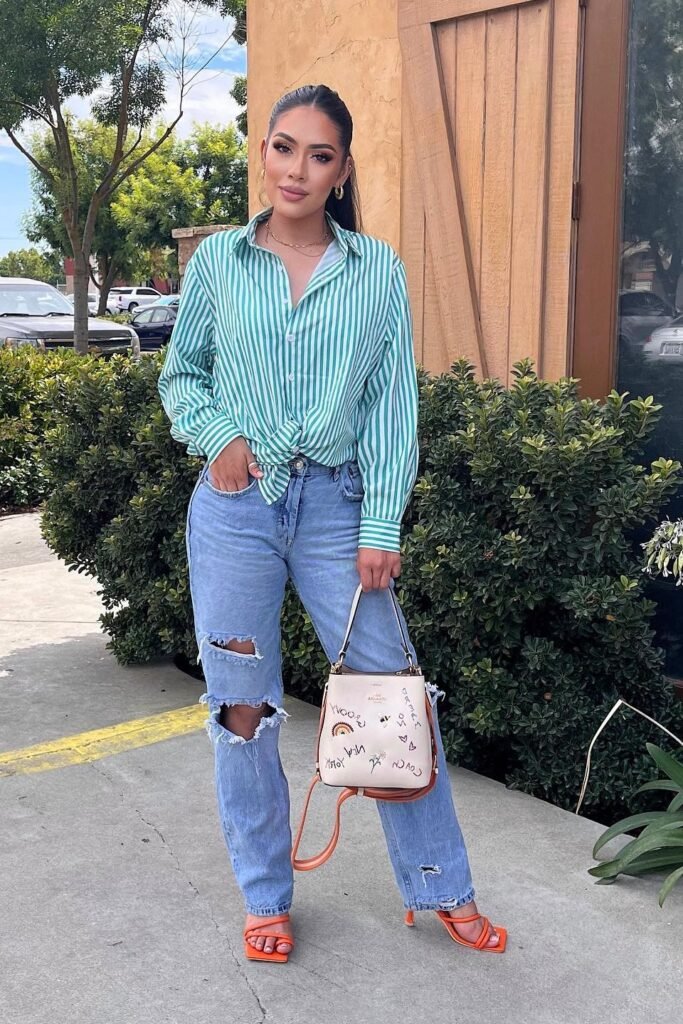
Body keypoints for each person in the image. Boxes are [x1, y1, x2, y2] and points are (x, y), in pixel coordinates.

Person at [158, 84, 506, 963]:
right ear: (262, 154)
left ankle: (441, 888)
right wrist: (219, 436)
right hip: (236, 510)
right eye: (282, 148)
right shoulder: (218, 264)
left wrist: (381, 523)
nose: (296, 169)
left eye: (318, 155)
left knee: (391, 699)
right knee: (240, 709)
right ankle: (265, 898)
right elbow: (181, 378)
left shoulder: (375, 269)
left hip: (339, 509)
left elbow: (393, 408)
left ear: (342, 170)